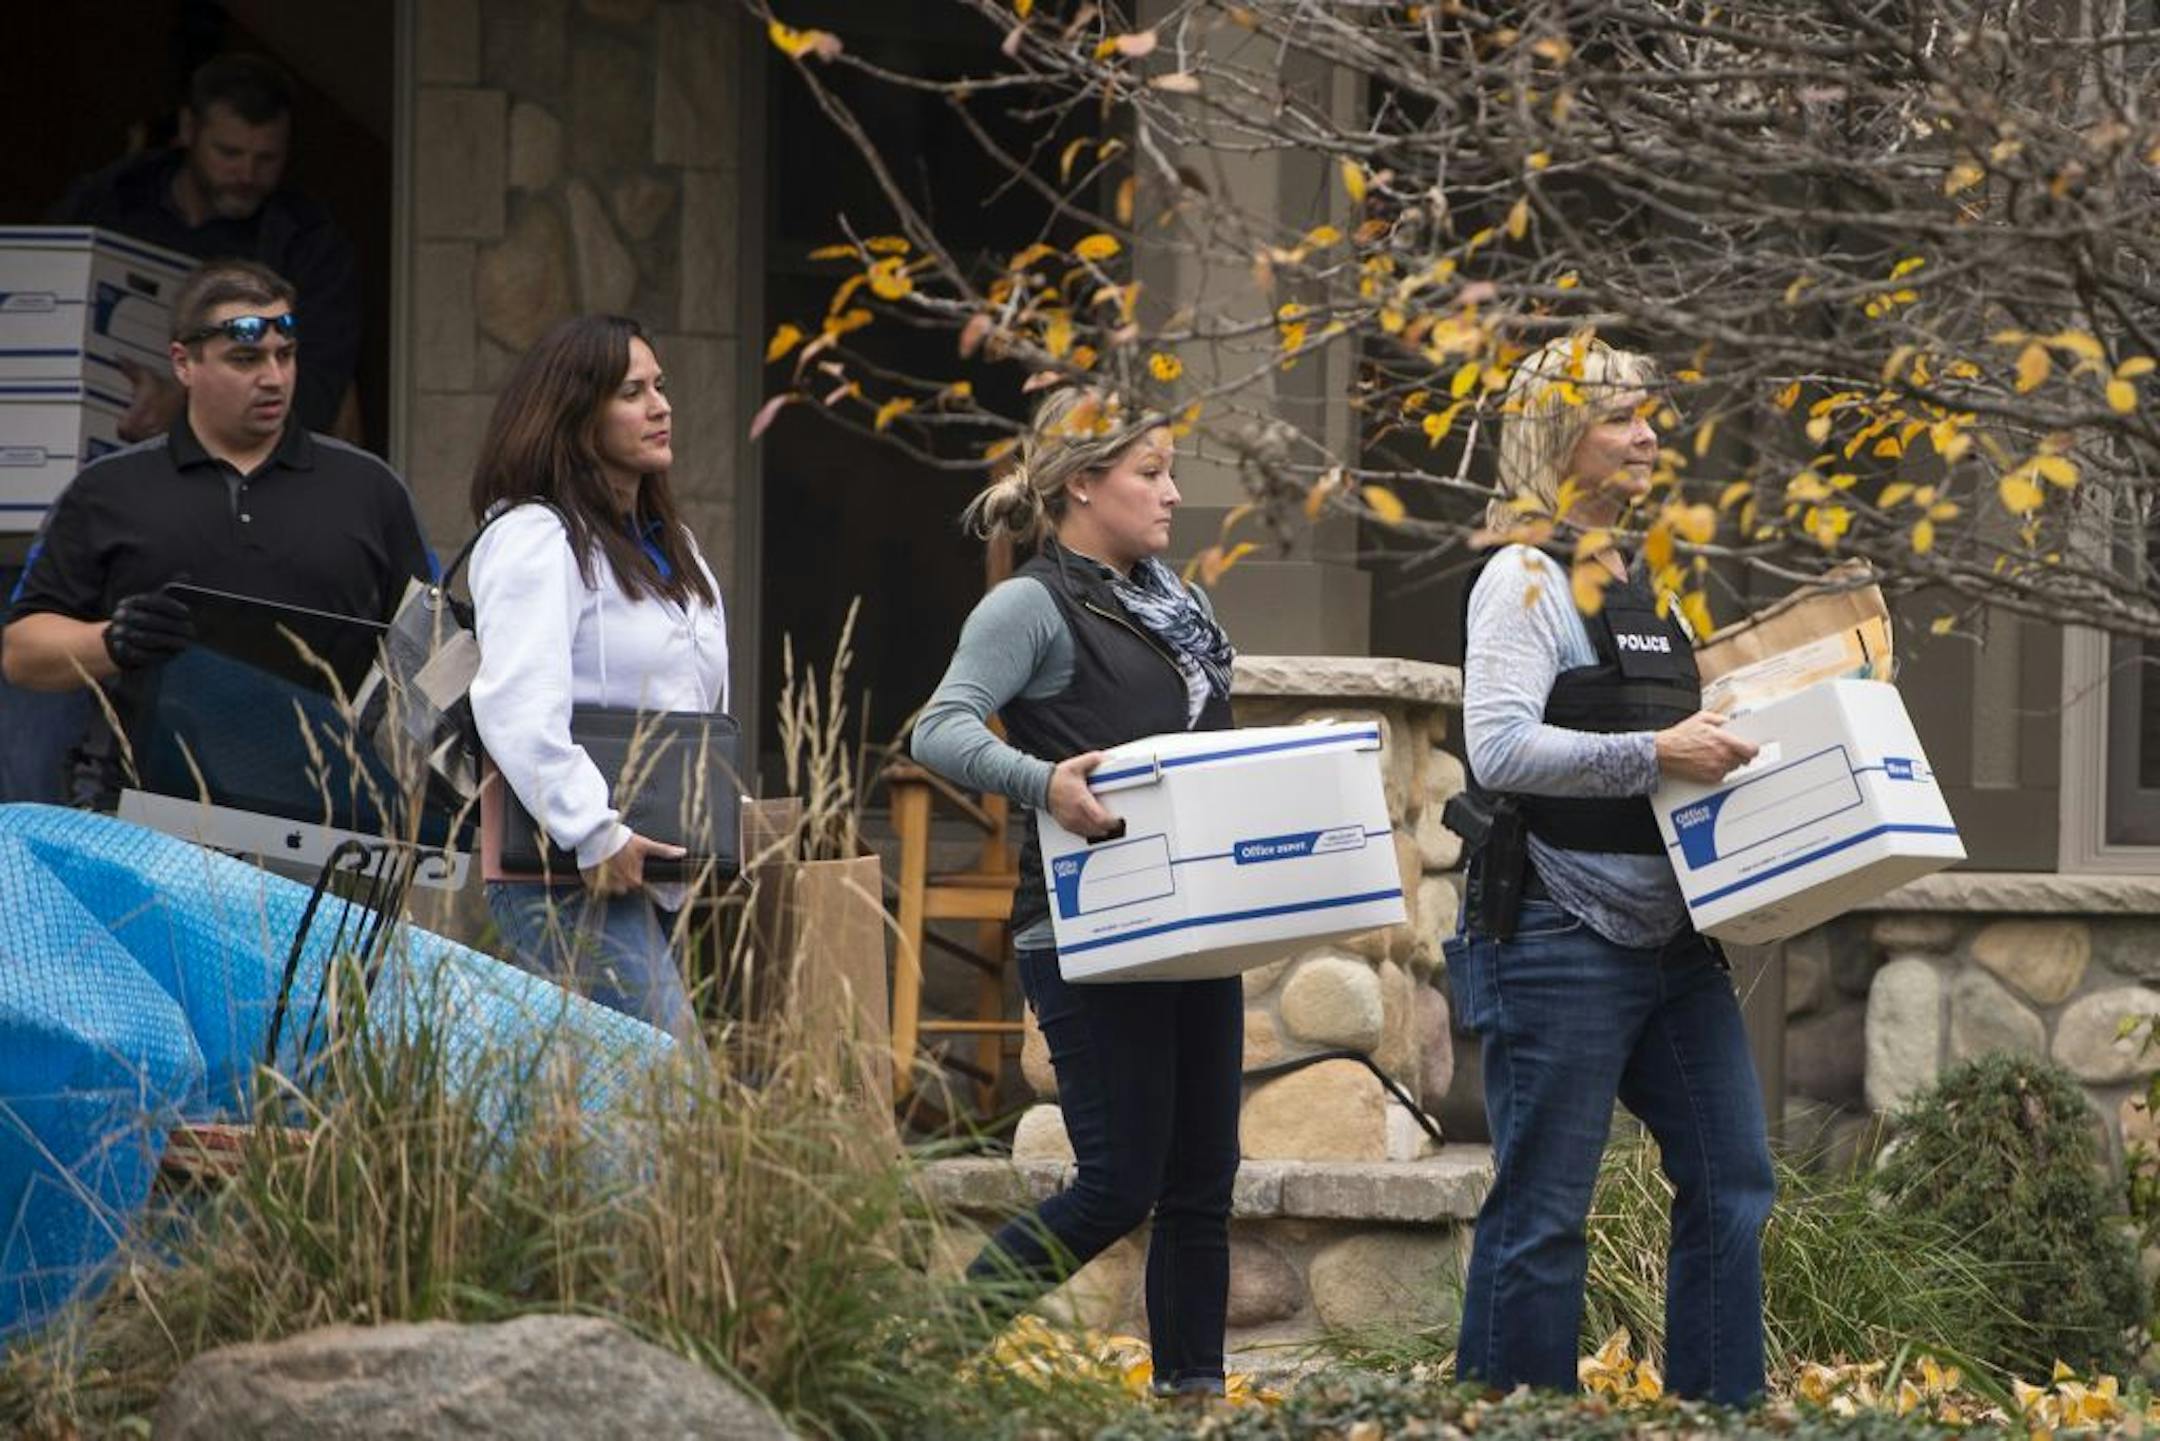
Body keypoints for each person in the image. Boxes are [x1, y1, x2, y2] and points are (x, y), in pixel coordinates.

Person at [1445, 335, 1776, 1406]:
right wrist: (1658, 752)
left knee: (1733, 1182)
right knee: (1544, 1205)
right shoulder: (1524, 576)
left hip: (1676, 938)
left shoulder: (1648, 579)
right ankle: (1512, 1420)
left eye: (1649, 416)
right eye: (1622, 419)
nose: (1648, 437)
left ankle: (1715, 1416)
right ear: (1559, 436)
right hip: (1556, 929)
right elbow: (1497, 749)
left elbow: (1683, 729)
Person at [911, 386, 1241, 1399]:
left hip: (1196, 926)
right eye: (1151, 472)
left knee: (1200, 1189)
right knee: (1117, 1185)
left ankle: (1194, 1400)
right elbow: (941, 727)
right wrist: (1044, 782)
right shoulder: (1032, 603)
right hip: (1089, 929)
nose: (1173, 493)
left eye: (1171, 470)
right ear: (1083, 482)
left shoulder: (1179, 604)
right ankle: (921, 1359)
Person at [2, 259, 430, 809]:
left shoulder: (370, 489)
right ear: (183, 363)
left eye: (285, 355)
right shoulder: (106, 490)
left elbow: (432, 655)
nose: (273, 377)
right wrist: (110, 641)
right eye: (245, 359)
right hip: (142, 814)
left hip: (326, 819)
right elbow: (20, 652)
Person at [467, 315, 728, 1046]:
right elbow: (515, 706)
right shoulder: (536, 537)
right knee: (667, 1092)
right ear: (576, 413)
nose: (660, 405)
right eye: (632, 392)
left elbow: (689, 699)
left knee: (608, 1109)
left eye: (660, 386)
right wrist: (593, 830)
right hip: (567, 873)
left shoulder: (673, 548)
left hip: (649, 865)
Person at [50, 53, 362, 441]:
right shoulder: (112, 201)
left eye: (266, 158)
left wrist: (190, 405)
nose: (246, 175)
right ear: (188, 129)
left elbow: (316, 391)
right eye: (229, 153)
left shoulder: (306, 243)